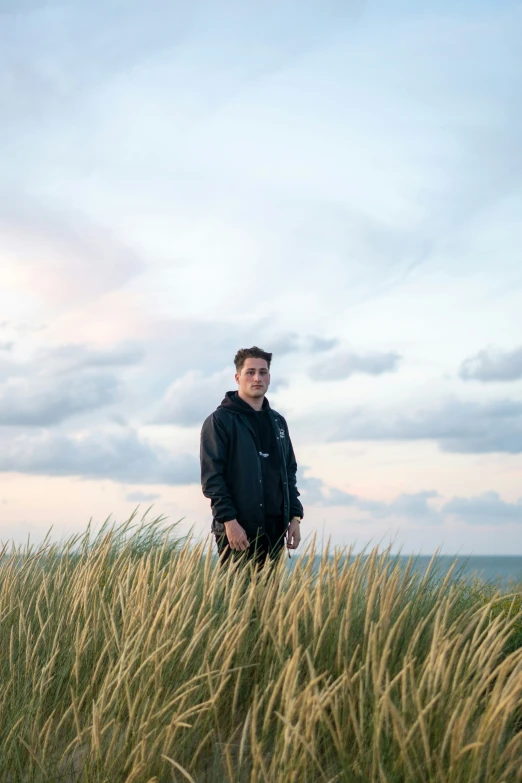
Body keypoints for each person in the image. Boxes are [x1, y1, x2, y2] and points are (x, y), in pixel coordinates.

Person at [200, 346, 303, 568]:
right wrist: (229, 522)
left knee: (269, 601)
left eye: (263, 372)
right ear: (237, 377)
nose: (257, 378)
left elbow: (289, 472)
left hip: (275, 531)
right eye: (250, 372)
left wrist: (295, 517)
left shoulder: (278, 422)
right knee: (238, 600)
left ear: (269, 377)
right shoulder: (220, 421)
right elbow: (213, 479)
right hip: (238, 531)